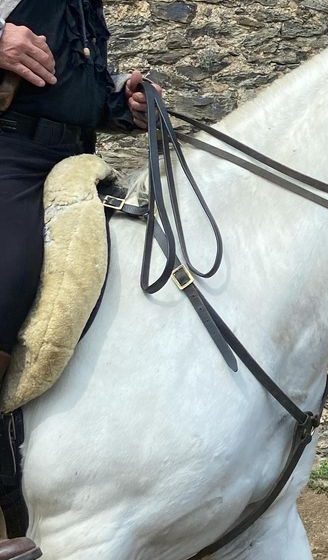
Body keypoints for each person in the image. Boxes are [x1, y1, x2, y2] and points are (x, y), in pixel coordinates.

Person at [0, 1, 158, 558]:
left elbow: (75, 91)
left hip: (76, 164)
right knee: (6, 282)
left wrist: (122, 104)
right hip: (8, 154)